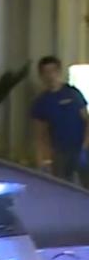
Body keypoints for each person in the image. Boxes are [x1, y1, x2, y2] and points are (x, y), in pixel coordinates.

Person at [31, 55, 89, 183]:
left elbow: (87, 121)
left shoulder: (73, 93)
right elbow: (40, 135)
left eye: (53, 71)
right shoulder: (41, 102)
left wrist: (85, 147)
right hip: (59, 153)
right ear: (41, 75)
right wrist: (43, 161)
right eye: (46, 72)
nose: (50, 76)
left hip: (81, 149)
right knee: (63, 187)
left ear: (59, 72)